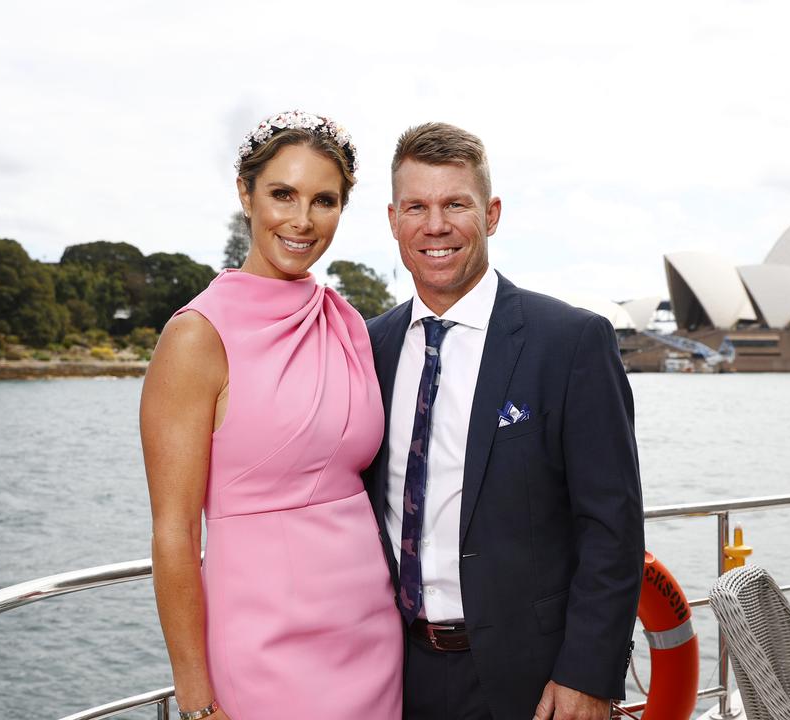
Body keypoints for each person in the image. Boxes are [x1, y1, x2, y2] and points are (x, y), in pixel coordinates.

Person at [364, 122, 644, 720]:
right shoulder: (369, 348)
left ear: (491, 214)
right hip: (394, 675)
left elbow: (612, 526)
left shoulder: (571, 342)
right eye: (416, 206)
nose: (435, 226)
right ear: (393, 221)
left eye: (455, 204)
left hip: (534, 681)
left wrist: (587, 676)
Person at [141, 110, 402, 720]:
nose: (302, 220)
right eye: (282, 194)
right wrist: (197, 698)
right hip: (261, 648)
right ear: (245, 194)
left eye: (324, 200)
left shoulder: (347, 323)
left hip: (371, 635)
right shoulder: (196, 337)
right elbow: (174, 532)